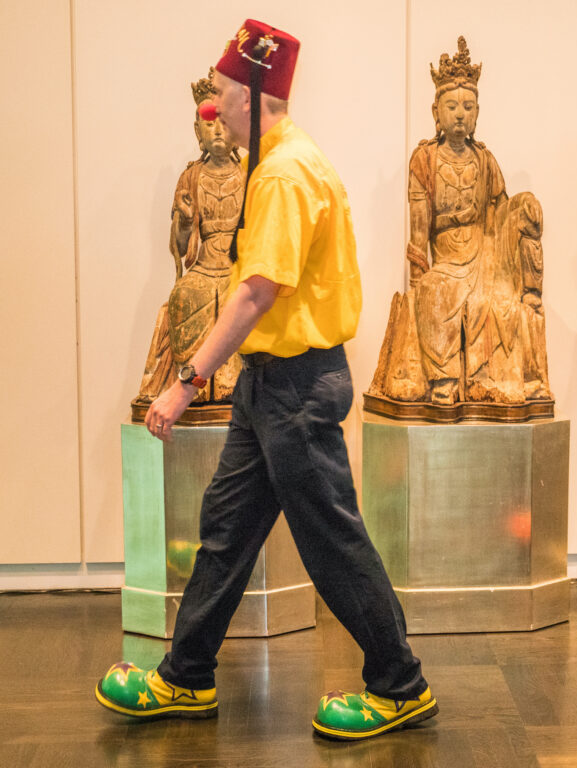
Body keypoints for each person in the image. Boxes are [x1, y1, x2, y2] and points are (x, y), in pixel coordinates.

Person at [96, 19, 437, 741]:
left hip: (297, 388)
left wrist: (185, 380)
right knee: (225, 532)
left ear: (254, 94)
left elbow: (256, 292)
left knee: (332, 545)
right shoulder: (277, 160)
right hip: (270, 385)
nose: (212, 107)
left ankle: (401, 685)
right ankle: (185, 677)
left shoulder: (283, 173)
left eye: (221, 92)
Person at [368, 36, 550, 408]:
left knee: (501, 301)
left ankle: (502, 378)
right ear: (436, 111)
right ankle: (444, 378)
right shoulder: (424, 160)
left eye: (468, 106)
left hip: (485, 256)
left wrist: (524, 207)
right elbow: (419, 233)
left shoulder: (485, 160)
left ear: (478, 113)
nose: (460, 114)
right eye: (452, 106)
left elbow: (501, 214)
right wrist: (419, 280)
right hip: (447, 263)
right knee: (435, 294)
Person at [136, 68, 244, 406]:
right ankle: (193, 384)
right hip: (203, 268)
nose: (216, 130)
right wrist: (183, 221)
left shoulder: (250, 175)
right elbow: (180, 250)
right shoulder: (191, 176)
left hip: (236, 267)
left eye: (222, 122)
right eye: (207, 123)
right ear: (197, 131)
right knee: (184, 295)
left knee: (239, 299)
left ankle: (230, 384)